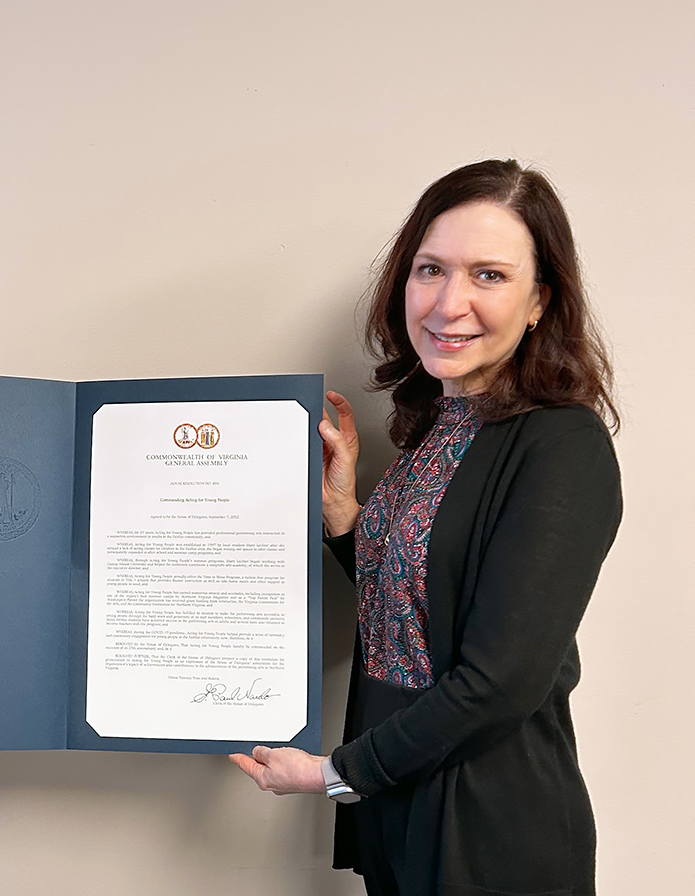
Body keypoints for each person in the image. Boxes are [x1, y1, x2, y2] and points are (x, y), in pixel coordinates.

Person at [229, 159, 622, 896]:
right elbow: (420, 612)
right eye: (430, 269)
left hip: (491, 831)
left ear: (541, 299)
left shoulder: (563, 446)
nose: (448, 303)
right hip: (403, 809)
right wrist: (345, 515)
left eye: (489, 276)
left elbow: (500, 680)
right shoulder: (437, 428)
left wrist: (331, 773)